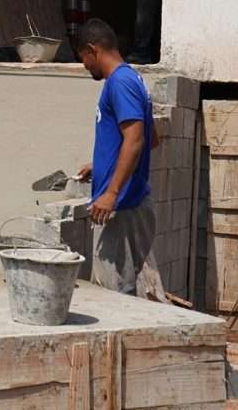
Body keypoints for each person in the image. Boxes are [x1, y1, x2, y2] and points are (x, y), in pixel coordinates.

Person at [74, 18, 160, 296]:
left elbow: (136, 140)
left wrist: (111, 192)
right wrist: (100, 166)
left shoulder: (119, 83)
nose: (84, 66)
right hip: (127, 205)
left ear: (92, 49)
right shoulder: (133, 79)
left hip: (122, 208)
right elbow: (152, 138)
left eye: (83, 58)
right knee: (123, 292)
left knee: (114, 297)